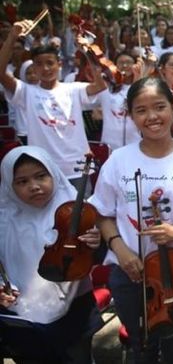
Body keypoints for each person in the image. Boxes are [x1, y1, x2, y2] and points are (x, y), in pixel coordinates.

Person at [89, 77, 173, 364]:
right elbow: (101, 213)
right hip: (129, 272)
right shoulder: (118, 160)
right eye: (141, 110)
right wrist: (120, 249)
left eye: (159, 107)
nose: (152, 116)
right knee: (142, 349)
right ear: (131, 115)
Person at [0, 146, 103, 362]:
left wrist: (95, 244)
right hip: (23, 317)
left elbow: (96, 259)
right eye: (22, 182)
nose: (34, 187)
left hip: (74, 313)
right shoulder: (4, 220)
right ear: (9, 186)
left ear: (54, 173)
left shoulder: (74, 211)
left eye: (41, 176)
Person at [0, 20, 107, 184]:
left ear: (59, 64)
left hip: (78, 168)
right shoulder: (26, 92)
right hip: (44, 169)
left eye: (50, 63)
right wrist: (12, 37)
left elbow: (100, 85)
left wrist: (86, 51)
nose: (45, 68)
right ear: (33, 68)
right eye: (39, 64)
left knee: (80, 210)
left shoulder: (73, 89)